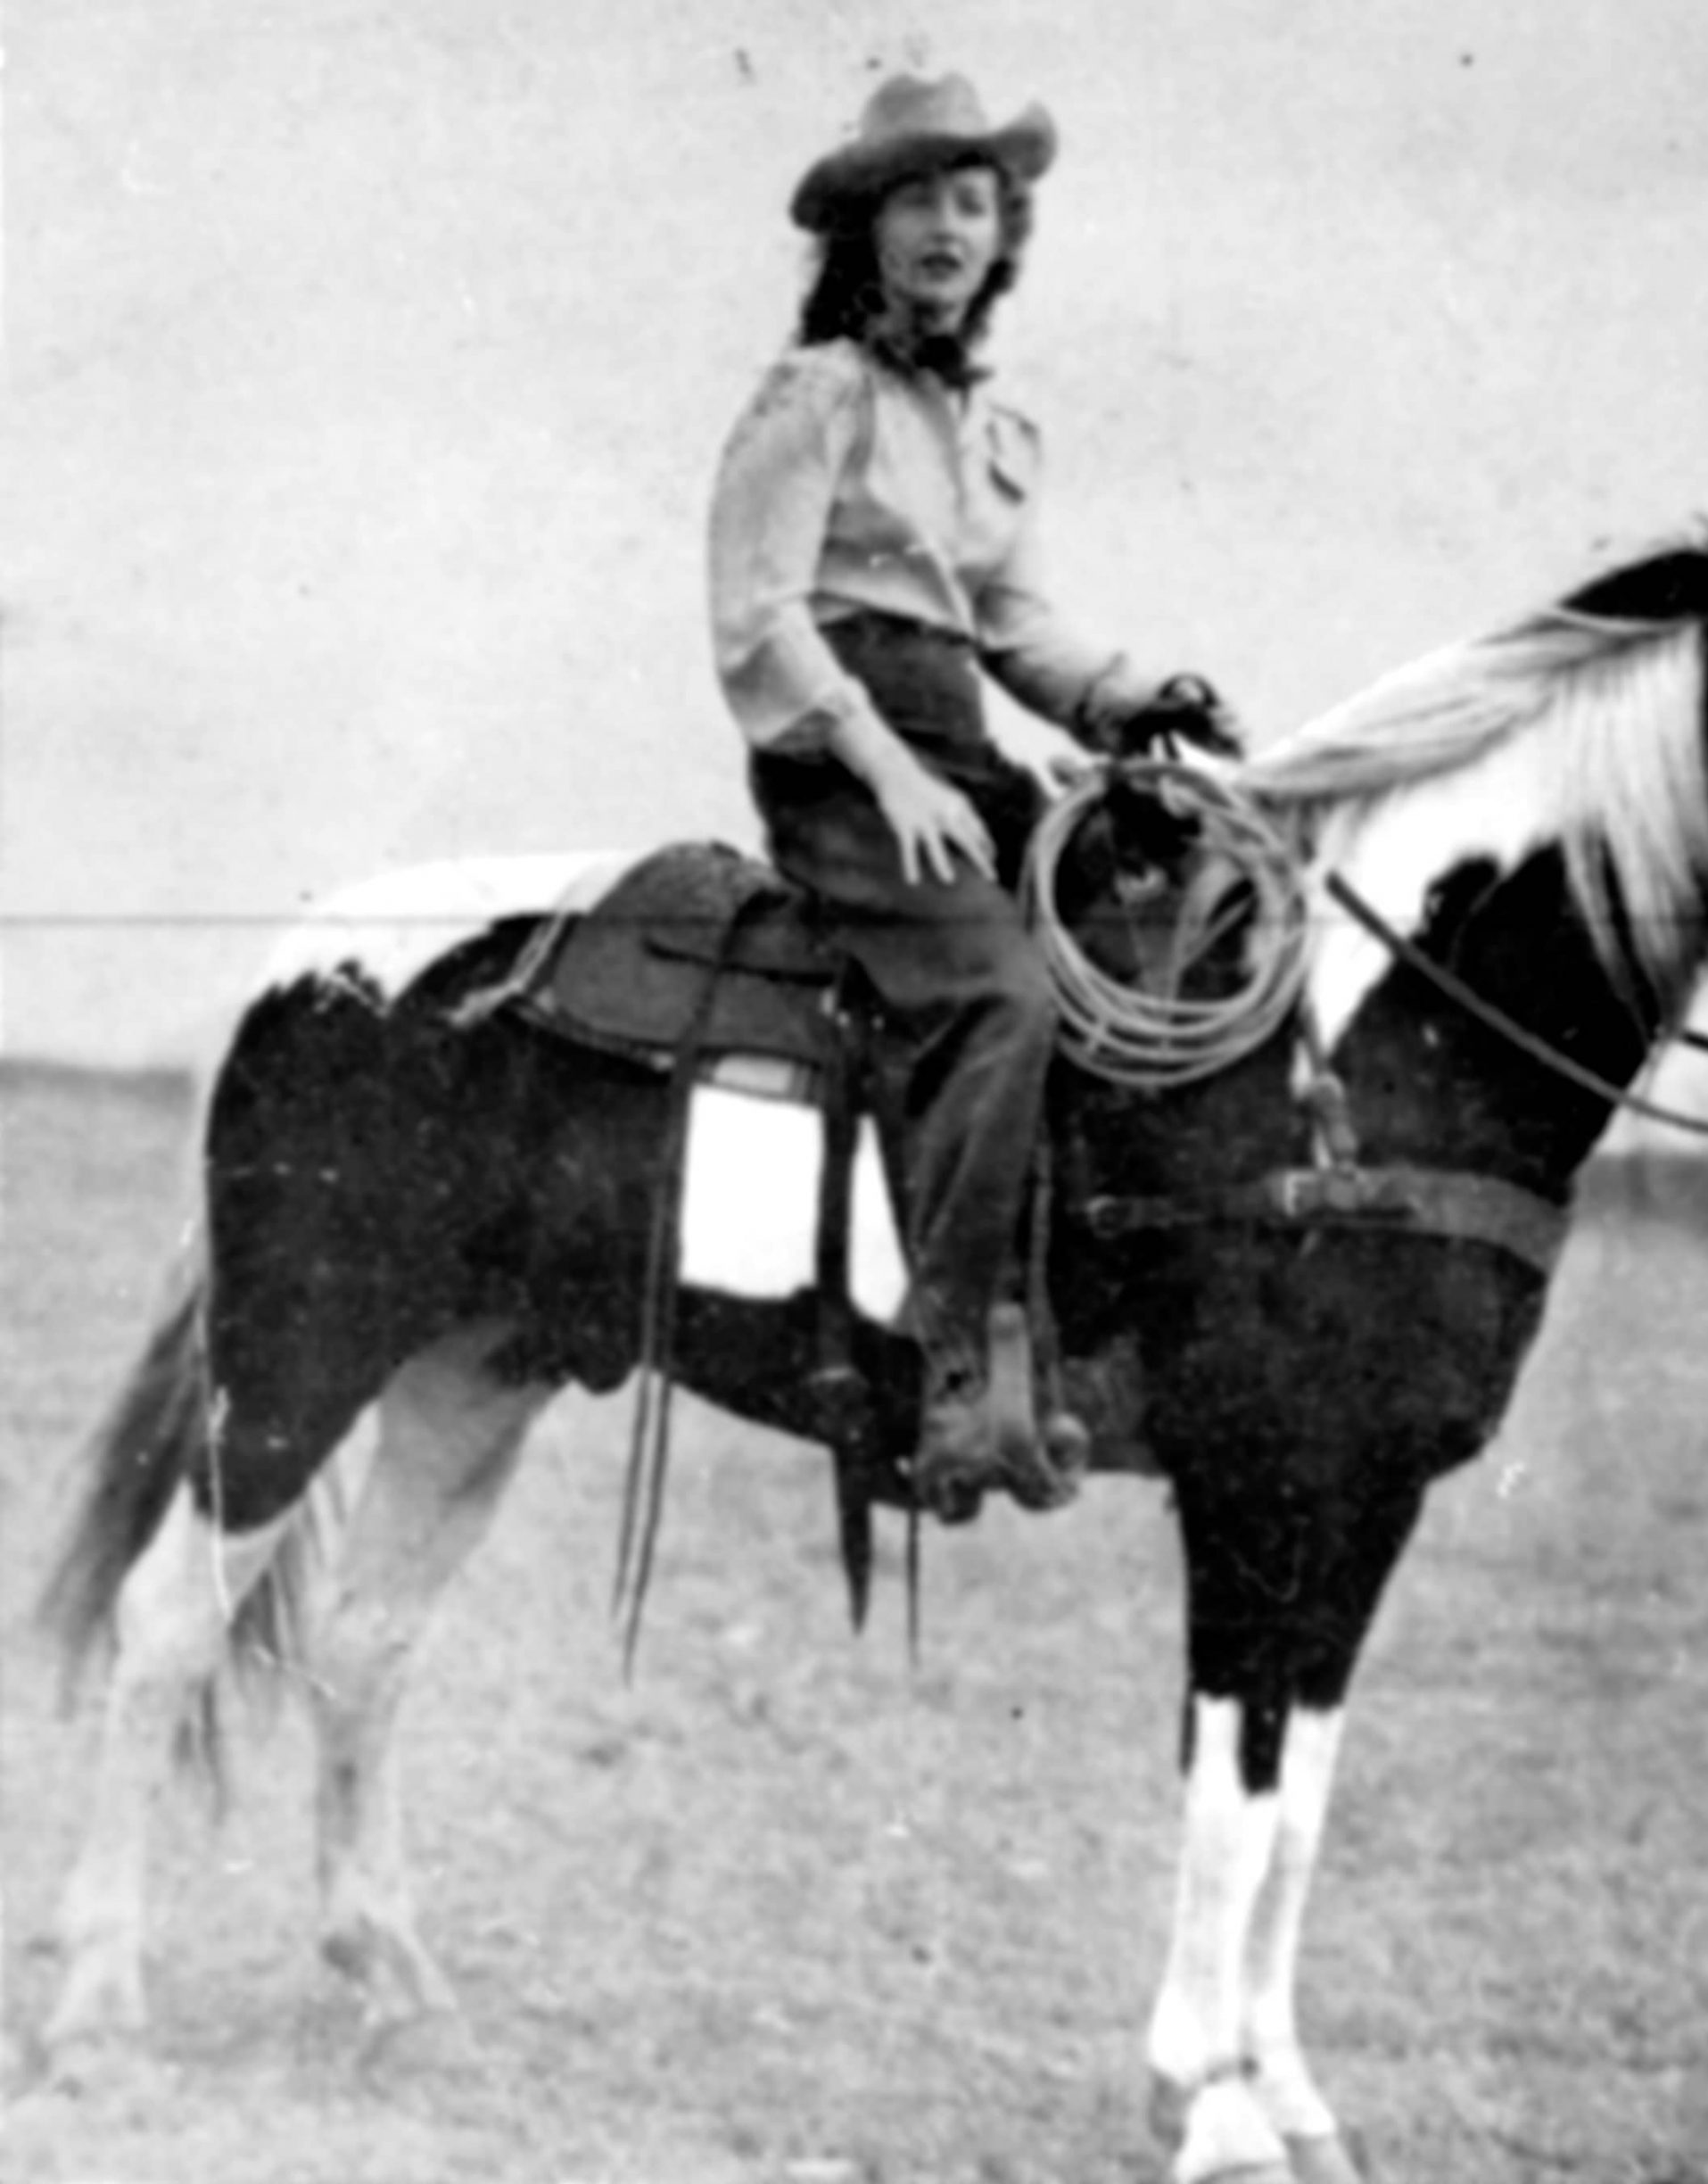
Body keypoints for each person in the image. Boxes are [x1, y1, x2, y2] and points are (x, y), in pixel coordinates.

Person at [707, 73, 1236, 1521]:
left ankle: (1102, 1324)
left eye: (975, 201)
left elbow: (1012, 626)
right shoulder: (815, 396)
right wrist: (883, 766)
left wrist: (1137, 696)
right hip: (839, 765)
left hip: (960, 745)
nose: (949, 226)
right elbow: (759, 615)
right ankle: (952, 1365)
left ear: (1003, 234)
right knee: (1000, 996)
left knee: (1149, 938)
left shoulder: (992, 430)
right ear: (866, 231)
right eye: (919, 199)